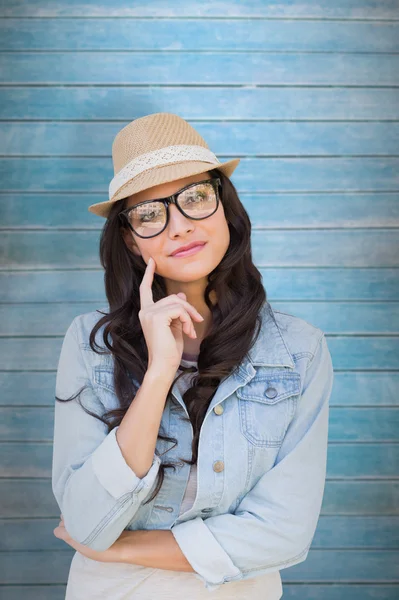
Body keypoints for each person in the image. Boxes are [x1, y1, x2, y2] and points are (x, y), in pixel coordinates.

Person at [51, 112, 334, 599]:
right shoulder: (89, 343)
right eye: (150, 213)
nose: (179, 227)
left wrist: (122, 549)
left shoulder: (299, 351)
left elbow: (284, 532)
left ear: (226, 206)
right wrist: (160, 372)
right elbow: (85, 517)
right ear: (129, 238)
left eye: (196, 198)